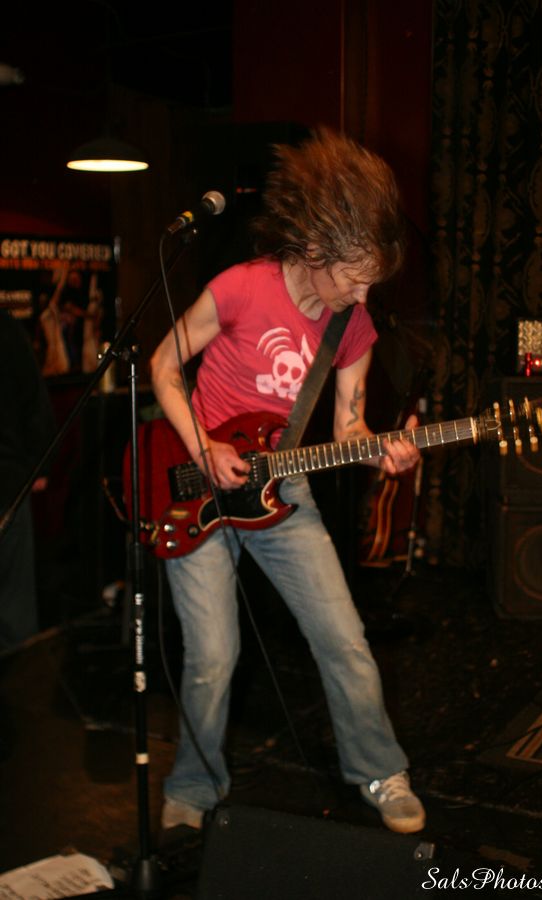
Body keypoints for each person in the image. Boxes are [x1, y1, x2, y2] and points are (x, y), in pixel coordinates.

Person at [150, 128, 425, 837]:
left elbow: (349, 426)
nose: (363, 293)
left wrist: (383, 452)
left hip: (283, 491)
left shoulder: (352, 326)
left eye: (371, 280)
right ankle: (193, 786)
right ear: (313, 246)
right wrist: (204, 445)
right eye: (353, 276)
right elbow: (161, 366)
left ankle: (380, 771)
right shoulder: (241, 288)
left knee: (345, 638)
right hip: (197, 485)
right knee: (214, 658)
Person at [0, 310, 56, 651]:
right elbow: (34, 400)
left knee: (15, 608)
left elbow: (33, 399)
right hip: (10, 481)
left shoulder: (6, 329)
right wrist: (40, 465)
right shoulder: (7, 327)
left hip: (8, 481)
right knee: (14, 608)